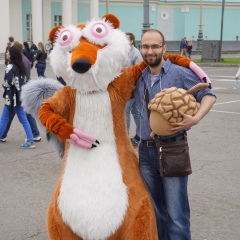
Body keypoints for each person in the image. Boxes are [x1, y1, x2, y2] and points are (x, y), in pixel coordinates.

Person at [133, 29, 216, 239]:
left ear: (163, 48)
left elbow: (208, 94)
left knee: (176, 214)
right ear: (140, 49)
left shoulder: (178, 73)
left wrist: (196, 118)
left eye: (154, 46)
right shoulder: (138, 76)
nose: (149, 51)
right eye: (145, 46)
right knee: (155, 211)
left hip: (173, 148)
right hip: (145, 151)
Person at [0, 42, 41, 143]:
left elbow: (8, 82)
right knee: (24, 119)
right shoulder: (21, 64)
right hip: (19, 95)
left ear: (12, 54)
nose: (6, 54)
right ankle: (31, 138)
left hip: (12, 96)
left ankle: (3, 135)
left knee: (5, 119)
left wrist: (4, 85)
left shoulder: (11, 67)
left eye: (7, 52)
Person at [124, 32, 143, 148]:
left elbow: (139, 70)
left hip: (132, 86)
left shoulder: (135, 53)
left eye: (126, 39)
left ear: (131, 41)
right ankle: (140, 135)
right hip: (124, 86)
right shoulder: (121, 52)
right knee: (135, 112)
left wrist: (133, 85)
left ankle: (125, 137)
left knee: (126, 110)